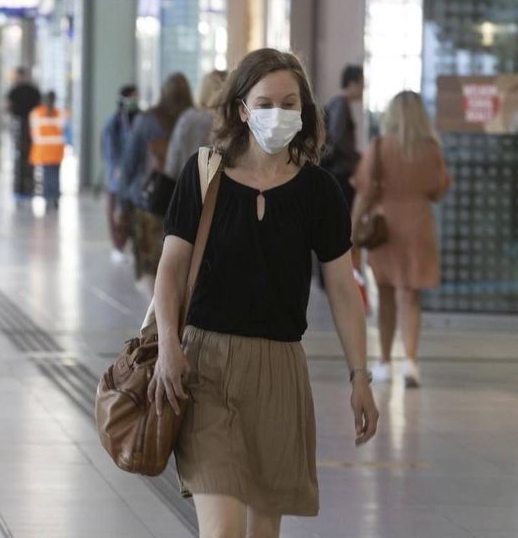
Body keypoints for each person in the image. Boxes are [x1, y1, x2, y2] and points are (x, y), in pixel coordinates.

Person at [152, 48, 378, 536]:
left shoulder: (318, 192)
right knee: (224, 531)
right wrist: (168, 344)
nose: (279, 113)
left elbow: (341, 286)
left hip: (279, 370)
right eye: (266, 102)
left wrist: (360, 375)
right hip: (205, 366)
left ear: (305, 110)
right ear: (241, 109)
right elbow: (171, 267)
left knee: (261, 533)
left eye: (290, 102)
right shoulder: (204, 172)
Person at [352, 91, 451, 388]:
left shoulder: (380, 147)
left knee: (385, 296)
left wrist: (353, 228)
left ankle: (383, 362)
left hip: (386, 228)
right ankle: (411, 362)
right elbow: (438, 189)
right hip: (419, 226)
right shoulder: (432, 150)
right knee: (411, 297)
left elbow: (365, 190)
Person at [119, 73, 193, 294]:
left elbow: (129, 163)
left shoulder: (146, 119)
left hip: (151, 200)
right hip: (186, 201)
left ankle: (157, 309)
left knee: (151, 263)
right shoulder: (193, 120)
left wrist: (121, 205)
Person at [164, 70, 227, 180]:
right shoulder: (228, 121)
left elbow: (172, 163)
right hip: (218, 189)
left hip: (186, 185)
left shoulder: (187, 119)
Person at [101, 85, 140, 262]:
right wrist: (116, 168)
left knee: (133, 212)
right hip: (117, 176)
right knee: (115, 209)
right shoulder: (114, 121)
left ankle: (131, 243)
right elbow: (109, 149)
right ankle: (118, 246)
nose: (134, 101)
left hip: (135, 175)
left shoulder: (141, 118)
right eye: (131, 97)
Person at [322, 65, 366, 209]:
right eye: (361, 84)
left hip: (339, 168)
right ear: (352, 84)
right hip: (339, 170)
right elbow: (338, 137)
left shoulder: (340, 103)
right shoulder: (341, 104)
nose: (363, 88)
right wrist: (356, 157)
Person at [28, 91, 68, 210]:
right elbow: (64, 130)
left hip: (43, 150)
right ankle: (55, 198)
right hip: (56, 150)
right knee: (55, 175)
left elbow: (33, 132)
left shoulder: (35, 113)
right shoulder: (60, 113)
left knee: (46, 176)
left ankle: (47, 199)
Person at [6, 67, 41, 201]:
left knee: (20, 158)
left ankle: (20, 189)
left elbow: (8, 107)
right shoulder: (34, 91)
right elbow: (39, 106)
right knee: (30, 158)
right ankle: (29, 188)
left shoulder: (14, 91)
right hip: (32, 126)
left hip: (21, 126)